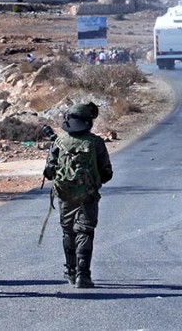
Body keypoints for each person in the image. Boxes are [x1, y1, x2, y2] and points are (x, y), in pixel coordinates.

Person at [44, 102, 113, 288]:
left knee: (68, 232)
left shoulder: (59, 142)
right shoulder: (96, 143)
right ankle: (84, 274)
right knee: (85, 231)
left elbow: (49, 172)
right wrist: (90, 182)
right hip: (88, 195)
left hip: (65, 196)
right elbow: (107, 172)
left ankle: (70, 271)